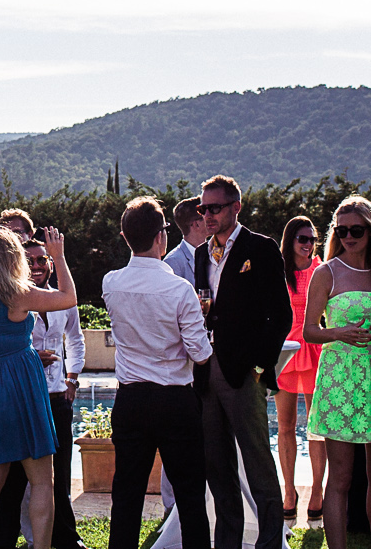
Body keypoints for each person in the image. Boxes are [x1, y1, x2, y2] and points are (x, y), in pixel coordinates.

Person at [0, 226, 78, 549]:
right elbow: (68, 298)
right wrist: (59, 257)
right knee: (41, 481)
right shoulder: (18, 294)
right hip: (21, 386)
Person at [104, 196, 212, 549]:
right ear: (161, 237)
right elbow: (200, 353)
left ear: (124, 236)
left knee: (126, 496)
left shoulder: (111, 283)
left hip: (131, 399)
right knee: (190, 495)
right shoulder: (179, 289)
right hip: (175, 400)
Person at [194, 174, 292, 549]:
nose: (208, 215)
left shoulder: (261, 248)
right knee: (216, 464)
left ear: (236, 207)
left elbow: (280, 316)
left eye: (215, 208)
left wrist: (259, 368)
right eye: (204, 208)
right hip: (206, 369)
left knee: (257, 462)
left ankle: (270, 541)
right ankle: (228, 542)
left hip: (243, 372)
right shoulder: (202, 253)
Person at [303, 196, 371, 549]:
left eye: (356, 230)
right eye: (341, 230)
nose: (348, 237)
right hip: (340, 379)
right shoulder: (325, 272)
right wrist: (339, 333)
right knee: (339, 478)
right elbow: (308, 330)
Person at [0, 238, 86, 549]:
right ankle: (3, 542)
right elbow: (0, 347)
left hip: (58, 400)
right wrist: (32, 356)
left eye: (42, 260)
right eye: (30, 261)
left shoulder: (57, 301)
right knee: (13, 482)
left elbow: (75, 340)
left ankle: (66, 539)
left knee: (59, 477)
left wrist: (72, 379)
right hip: (24, 400)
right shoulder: (12, 299)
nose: (37, 266)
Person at [275, 214, 325, 523]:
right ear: (290, 240)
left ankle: (317, 490)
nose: (307, 245)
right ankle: (289, 492)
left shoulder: (322, 270)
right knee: (284, 426)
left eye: (312, 240)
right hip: (286, 350)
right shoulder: (278, 272)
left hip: (315, 347)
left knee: (316, 427)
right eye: (302, 239)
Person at [158, 195, 206, 515]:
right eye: (208, 215)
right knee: (174, 440)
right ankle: (171, 509)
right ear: (196, 223)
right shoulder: (171, 265)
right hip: (181, 365)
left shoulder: (217, 257)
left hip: (209, 359)